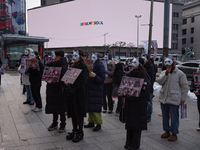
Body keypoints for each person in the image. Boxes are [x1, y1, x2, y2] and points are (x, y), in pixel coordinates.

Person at [157, 56, 188, 141]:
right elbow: (159, 81)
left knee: (174, 117)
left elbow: (184, 87)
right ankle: (167, 130)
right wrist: (166, 74)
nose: (168, 66)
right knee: (165, 116)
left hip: (174, 98)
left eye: (169, 64)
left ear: (173, 63)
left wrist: (183, 98)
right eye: (166, 64)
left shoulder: (180, 73)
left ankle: (174, 133)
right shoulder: (163, 72)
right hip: (164, 98)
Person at [124, 57, 150, 150]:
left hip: (139, 104)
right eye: (132, 63)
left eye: (135, 63)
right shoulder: (130, 73)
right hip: (130, 103)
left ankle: (135, 144)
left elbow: (141, 93)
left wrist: (128, 96)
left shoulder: (143, 76)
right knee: (130, 123)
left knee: (136, 125)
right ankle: (129, 141)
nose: (132, 64)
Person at [65, 50, 88, 143]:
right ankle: (74, 130)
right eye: (73, 56)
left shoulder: (83, 67)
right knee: (73, 112)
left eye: (76, 56)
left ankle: (80, 131)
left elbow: (82, 81)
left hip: (79, 93)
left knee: (78, 112)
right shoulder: (72, 66)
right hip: (71, 93)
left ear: (81, 57)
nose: (74, 58)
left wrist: (71, 83)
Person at [45, 50, 68, 133]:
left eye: (54, 55)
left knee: (61, 108)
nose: (52, 57)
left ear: (59, 57)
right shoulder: (51, 65)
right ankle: (54, 123)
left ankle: (63, 124)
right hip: (51, 90)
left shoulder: (63, 67)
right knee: (53, 107)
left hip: (59, 91)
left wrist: (53, 83)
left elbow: (63, 81)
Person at [84, 53, 106, 131]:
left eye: (94, 57)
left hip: (96, 90)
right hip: (90, 89)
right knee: (90, 107)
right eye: (91, 57)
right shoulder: (90, 65)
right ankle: (91, 122)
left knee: (96, 108)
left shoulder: (100, 66)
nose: (92, 58)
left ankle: (98, 123)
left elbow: (102, 80)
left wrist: (95, 76)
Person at [140, 54, 155, 123]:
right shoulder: (142, 66)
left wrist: (149, 86)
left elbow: (151, 79)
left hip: (148, 87)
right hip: (142, 87)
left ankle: (148, 115)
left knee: (149, 102)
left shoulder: (150, 67)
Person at [190, 66, 200, 131]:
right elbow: (193, 83)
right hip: (199, 96)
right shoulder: (196, 75)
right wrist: (193, 90)